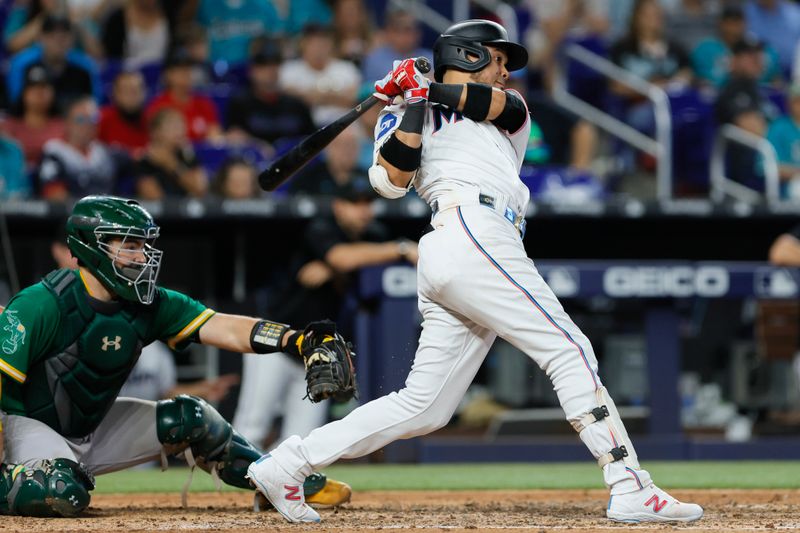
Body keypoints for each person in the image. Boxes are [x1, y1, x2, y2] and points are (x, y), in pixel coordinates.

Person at [247, 19, 705, 524]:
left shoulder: (508, 111)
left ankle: (287, 464)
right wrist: (415, 103)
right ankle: (630, 484)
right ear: (466, 55)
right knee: (568, 348)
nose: (506, 71)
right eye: (497, 59)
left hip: (478, 242)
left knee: (425, 407)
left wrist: (427, 87)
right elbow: (391, 183)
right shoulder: (401, 112)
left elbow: (498, 106)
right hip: (466, 231)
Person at [0, 195, 351, 517]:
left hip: (91, 428)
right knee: (61, 492)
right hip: (30, 427)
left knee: (192, 417)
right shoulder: (41, 304)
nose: (142, 256)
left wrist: (296, 340)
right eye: (129, 246)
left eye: (143, 245)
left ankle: (275, 479)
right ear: (92, 246)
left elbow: (224, 327)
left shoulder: (150, 303)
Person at [233, 178, 418, 447]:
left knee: (302, 439)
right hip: (278, 339)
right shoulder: (322, 227)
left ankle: (275, 482)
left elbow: (349, 263)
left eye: (368, 204)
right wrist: (400, 249)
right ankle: (224, 489)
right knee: (252, 427)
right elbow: (341, 257)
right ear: (339, 206)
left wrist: (336, 268)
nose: (364, 210)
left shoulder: (374, 235)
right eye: (356, 204)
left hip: (318, 350)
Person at [225, 39, 316, 148]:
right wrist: (257, 145)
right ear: (252, 71)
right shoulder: (240, 104)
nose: (270, 70)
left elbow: (312, 140)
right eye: (263, 65)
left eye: (275, 64)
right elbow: (233, 136)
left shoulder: (297, 105)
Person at [6, 15, 101, 112]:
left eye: (64, 35)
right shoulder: (22, 65)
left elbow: (94, 107)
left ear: (72, 38)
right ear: (40, 37)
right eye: (51, 35)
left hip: (73, 125)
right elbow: (15, 105)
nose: (58, 40)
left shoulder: (85, 68)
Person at [36, 96, 119, 201]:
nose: (87, 125)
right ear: (67, 123)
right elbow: (54, 194)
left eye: (92, 119)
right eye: (81, 119)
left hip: (105, 215)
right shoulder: (54, 152)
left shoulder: (104, 153)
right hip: (71, 215)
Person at [279, 24, 361, 127]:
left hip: (344, 126)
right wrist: (336, 96)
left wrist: (314, 96)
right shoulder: (289, 70)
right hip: (305, 127)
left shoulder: (346, 68)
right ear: (303, 44)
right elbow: (289, 99)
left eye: (323, 43)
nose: (318, 49)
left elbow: (354, 99)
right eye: (314, 43)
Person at [692, 5, 781, 88]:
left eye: (737, 22)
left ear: (745, 23)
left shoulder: (759, 48)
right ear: (720, 23)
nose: (733, 29)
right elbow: (704, 82)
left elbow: (774, 79)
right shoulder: (705, 49)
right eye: (729, 23)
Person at [145, 50, 222, 143]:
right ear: (168, 75)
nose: (186, 73)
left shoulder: (204, 103)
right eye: (180, 69)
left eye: (188, 69)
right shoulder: (158, 106)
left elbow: (215, 134)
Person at [133, 107, 208, 200]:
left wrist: (172, 165)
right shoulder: (145, 161)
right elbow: (154, 198)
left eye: (181, 125)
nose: (179, 130)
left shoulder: (187, 156)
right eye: (172, 126)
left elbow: (200, 189)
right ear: (155, 132)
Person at [3, 64, 65, 172]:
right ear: (24, 93)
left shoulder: (62, 126)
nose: (39, 93)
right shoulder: (8, 127)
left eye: (44, 87)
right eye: (33, 88)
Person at [361, 8, 431, 83]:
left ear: (418, 34)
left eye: (408, 30)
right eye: (398, 30)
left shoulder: (430, 58)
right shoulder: (374, 60)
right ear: (388, 32)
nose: (403, 36)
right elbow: (367, 91)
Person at [100, 0, 170, 68]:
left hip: (164, 74)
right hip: (127, 74)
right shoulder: (116, 19)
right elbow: (110, 58)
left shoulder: (168, 13)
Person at [97, 70, 149, 155]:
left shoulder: (153, 121)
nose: (132, 96)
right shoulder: (101, 120)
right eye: (126, 91)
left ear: (144, 93)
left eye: (135, 91)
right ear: (115, 94)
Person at [766, 85, 800, 199]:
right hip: (788, 188)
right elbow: (768, 166)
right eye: (798, 101)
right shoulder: (778, 128)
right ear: (789, 103)